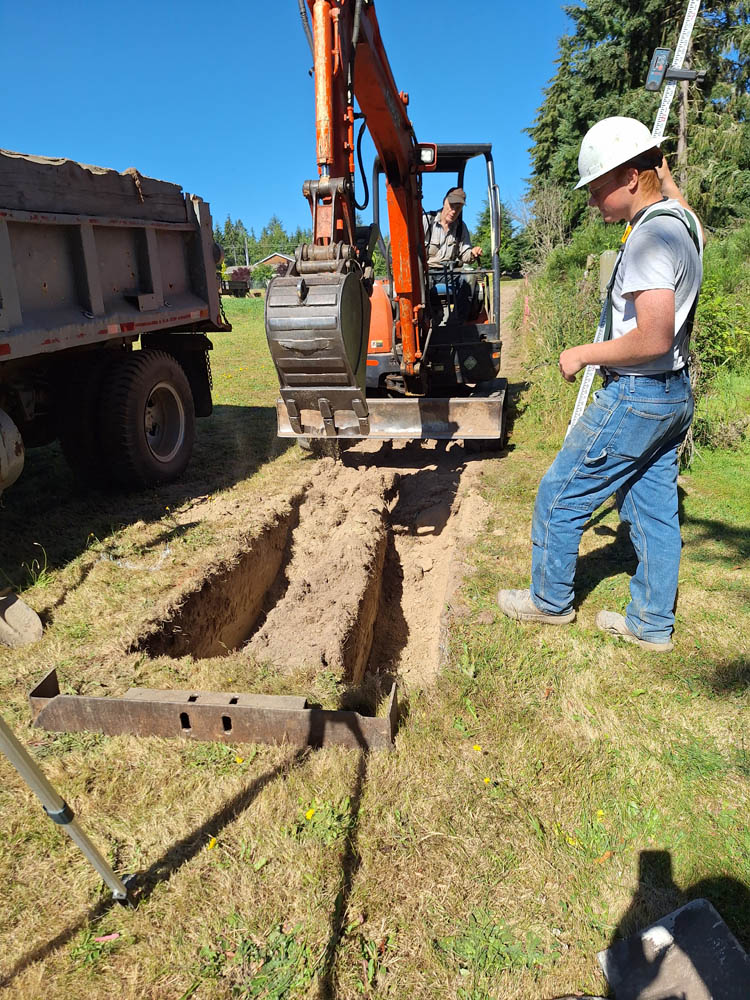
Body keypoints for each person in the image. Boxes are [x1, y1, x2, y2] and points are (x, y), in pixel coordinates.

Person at [497, 116, 704, 653]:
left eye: (596, 188)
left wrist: (581, 355)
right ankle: (652, 623)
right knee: (654, 509)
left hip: (638, 394)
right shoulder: (683, 223)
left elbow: (654, 336)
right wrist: (659, 161)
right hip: (673, 395)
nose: (592, 201)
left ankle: (549, 601)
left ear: (631, 177)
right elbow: (675, 194)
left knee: (560, 494)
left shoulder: (649, 239)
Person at [424, 187, 482, 322]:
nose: (454, 210)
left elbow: (465, 255)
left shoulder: (461, 228)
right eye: (452, 206)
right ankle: (428, 320)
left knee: (468, 281)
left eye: (458, 207)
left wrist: (473, 253)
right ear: (444, 202)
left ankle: (456, 323)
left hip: (449, 273)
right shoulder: (427, 221)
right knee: (420, 287)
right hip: (427, 273)